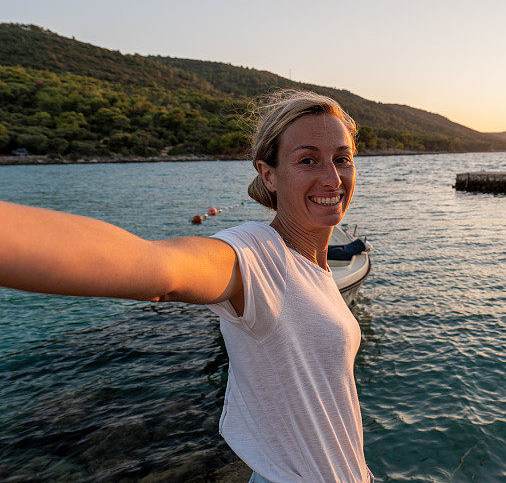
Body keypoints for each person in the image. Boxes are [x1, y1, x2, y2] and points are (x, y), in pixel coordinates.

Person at [0, 89, 375, 483]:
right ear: (268, 174)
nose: (331, 177)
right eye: (307, 160)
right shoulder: (257, 255)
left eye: (341, 158)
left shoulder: (314, 268)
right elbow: (161, 268)